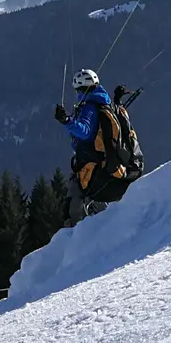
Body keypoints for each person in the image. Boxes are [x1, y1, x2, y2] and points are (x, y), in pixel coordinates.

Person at [54, 68, 140, 227]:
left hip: (94, 165)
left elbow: (84, 132)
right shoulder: (105, 102)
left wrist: (66, 120)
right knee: (97, 202)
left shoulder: (90, 107)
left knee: (74, 200)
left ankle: (75, 236)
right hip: (108, 165)